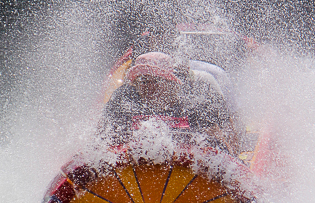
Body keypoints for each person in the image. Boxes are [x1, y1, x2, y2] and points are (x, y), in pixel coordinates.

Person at [97, 51, 239, 154]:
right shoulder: (124, 101)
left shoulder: (194, 104)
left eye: (156, 81)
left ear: (172, 83)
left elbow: (223, 150)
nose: (149, 87)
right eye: (144, 81)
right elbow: (102, 139)